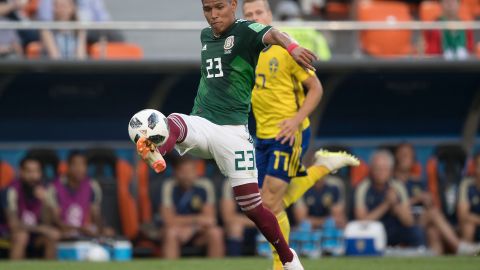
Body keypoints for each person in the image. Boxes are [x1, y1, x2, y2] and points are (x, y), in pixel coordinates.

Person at [135, 0, 321, 268]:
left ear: (233, 5)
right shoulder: (205, 36)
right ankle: (157, 151)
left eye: (219, 7)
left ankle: (289, 258)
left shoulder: (245, 30)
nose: (213, 15)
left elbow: (275, 34)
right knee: (173, 120)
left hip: (234, 135)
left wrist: (292, 47)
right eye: (207, 9)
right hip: (203, 124)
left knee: (253, 208)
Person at [242, 0, 356, 268]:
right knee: (259, 206)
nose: (255, 17)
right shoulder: (245, 51)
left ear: (270, 15)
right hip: (263, 136)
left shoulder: (286, 49)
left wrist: (295, 121)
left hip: (289, 133)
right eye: (249, 15)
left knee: (269, 202)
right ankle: (320, 168)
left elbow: (316, 88)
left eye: (259, 12)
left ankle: (281, 264)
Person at [395, 143, 480, 255]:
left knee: (433, 231)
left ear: (413, 159)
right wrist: (416, 199)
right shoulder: (392, 182)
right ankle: (459, 246)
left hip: (421, 221)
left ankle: (436, 261)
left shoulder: (418, 182)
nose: (405, 159)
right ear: (396, 157)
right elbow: (398, 209)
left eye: (408, 155)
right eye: (402, 155)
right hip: (403, 223)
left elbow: (428, 205)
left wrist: (427, 200)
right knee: (434, 213)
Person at [355, 150, 422, 247]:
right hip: (371, 234)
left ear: (390, 171)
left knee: (415, 231)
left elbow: (409, 221)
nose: (381, 173)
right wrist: (386, 205)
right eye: (377, 169)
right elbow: (361, 222)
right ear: (371, 170)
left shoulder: (398, 187)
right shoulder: (363, 188)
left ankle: (420, 254)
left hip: (394, 231)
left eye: (385, 169)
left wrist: (395, 205)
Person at [160, 155, 224, 258]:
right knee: (170, 233)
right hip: (178, 232)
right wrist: (196, 221)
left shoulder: (205, 186)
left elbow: (210, 219)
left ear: (196, 171)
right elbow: (169, 220)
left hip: (199, 232)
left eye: (190, 171)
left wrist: (192, 229)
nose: (187, 176)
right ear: (175, 172)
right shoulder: (169, 186)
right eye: (183, 172)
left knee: (216, 232)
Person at [5, 156, 59, 260]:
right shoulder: (11, 190)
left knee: (53, 235)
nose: (33, 176)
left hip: (35, 236)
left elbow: (47, 223)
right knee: (22, 236)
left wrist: (45, 202)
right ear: (20, 172)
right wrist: (40, 229)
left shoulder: (45, 190)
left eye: (36, 172)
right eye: (29, 171)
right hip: (9, 235)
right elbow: (14, 225)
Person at [46, 151, 103, 239]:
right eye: (75, 165)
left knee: (108, 233)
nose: (79, 169)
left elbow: (96, 215)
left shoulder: (93, 186)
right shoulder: (54, 188)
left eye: (83, 165)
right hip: (62, 233)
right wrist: (79, 229)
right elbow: (55, 221)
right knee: (55, 234)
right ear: (67, 167)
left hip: (85, 231)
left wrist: (100, 230)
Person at [38, 0, 123, 43]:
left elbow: (103, 18)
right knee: (46, 31)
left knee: (116, 36)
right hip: (60, 28)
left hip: (90, 29)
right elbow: (46, 20)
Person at [220, 178, 256, 256]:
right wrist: (259, 222)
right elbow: (228, 217)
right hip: (245, 225)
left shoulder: (268, 179)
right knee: (235, 227)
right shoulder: (231, 182)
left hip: (264, 226)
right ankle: (235, 264)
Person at [458, 153, 480, 244]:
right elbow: (463, 214)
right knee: (469, 226)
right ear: (475, 168)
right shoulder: (467, 184)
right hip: (475, 227)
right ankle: (468, 253)